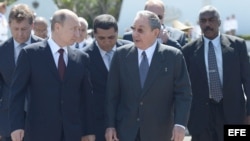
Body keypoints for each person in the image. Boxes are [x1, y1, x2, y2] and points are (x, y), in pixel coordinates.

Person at [9, 9, 95, 141]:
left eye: (79, 29)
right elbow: (17, 93)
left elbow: (87, 98)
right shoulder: (30, 54)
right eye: (73, 29)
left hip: (72, 133)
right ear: (57, 27)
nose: (78, 34)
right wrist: (16, 126)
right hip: (39, 133)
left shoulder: (81, 58)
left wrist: (88, 131)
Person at [105, 10, 192, 141]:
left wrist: (180, 124)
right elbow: (112, 94)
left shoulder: (173, 56)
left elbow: (183, 94)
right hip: (126, 131)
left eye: (140, 30)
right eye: (134, 29)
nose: (135, 34)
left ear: (155, 33)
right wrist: (110, 125)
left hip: (159, 132)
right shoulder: (120, 55)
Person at [182, 5, 250, 141]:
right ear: (199, 23)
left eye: (211, 20)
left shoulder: (238, 46)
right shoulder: (188, 51)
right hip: (201, 118)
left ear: (219, 22)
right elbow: (183, 87)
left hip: (234, 115)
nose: (207, 24)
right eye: (203, 21)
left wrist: (248, 114)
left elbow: (248, 81)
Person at [82, 14, 132, 141]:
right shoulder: (83, 57)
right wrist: (86, 130)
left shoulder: (131, 51)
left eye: (111, 37)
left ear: (117, 32)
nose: (107, 41)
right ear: (94, 35)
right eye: (101, 38)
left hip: (128, 122)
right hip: (97, 125)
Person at [0, 4, 43, 141]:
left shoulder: (45, 49)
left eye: (24, 29)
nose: (20, 34)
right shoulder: (1, 51)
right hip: (8, 121)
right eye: (15, 29)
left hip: (41, 118)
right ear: (9, 25)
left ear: (32, 25)